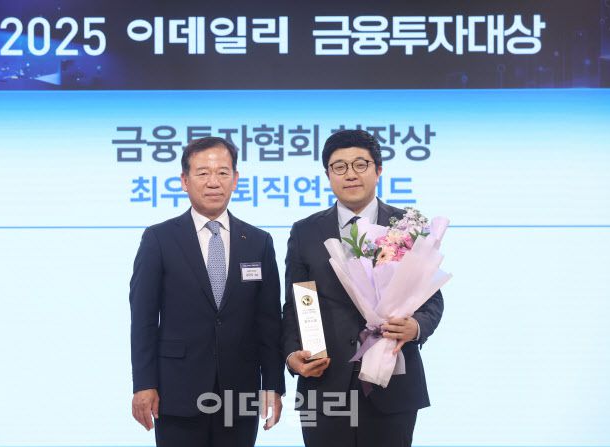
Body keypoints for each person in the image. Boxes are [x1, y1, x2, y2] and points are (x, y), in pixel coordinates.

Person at [281, 129, 444, 447]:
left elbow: (431, 298)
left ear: (378, 170)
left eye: (360, 164)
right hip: (324, 382)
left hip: (392, 382)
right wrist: (291, 355)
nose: (350, 174)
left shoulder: (407, 225)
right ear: (328, 175)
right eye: (339, 167)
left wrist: (416, 327)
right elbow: (295, 303)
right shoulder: (305, 231)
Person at [130, 136, 285, 447]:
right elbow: (144, 319)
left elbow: (269, 321)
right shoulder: (159, 239)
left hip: (239, 393)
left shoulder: (258, 241)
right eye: (203, 173)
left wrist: (273, 384)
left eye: (222, 172)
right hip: (177, 390)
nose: (213, 182)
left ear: (235, 179)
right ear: (184, 181)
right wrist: (144, 384)